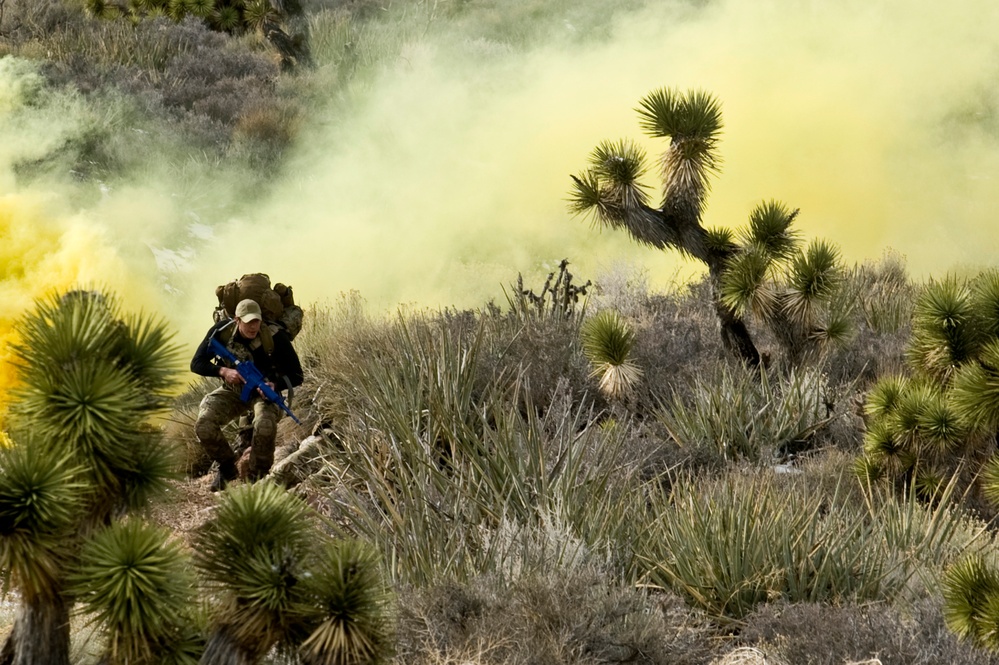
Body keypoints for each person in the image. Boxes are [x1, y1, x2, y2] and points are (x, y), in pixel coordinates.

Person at [190, 298, 304, 491]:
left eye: (257, 321)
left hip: (263, 394)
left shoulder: (275, 336)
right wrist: (223, 372)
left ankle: (257, 477)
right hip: (233, 391)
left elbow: (297, 375)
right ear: (237, 320)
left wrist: (273, 385)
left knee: (265, 424)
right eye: (248, 321)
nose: (253, 326)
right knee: (204, 425)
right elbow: (196, 363)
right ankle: (227, 468)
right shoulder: (222, 333)